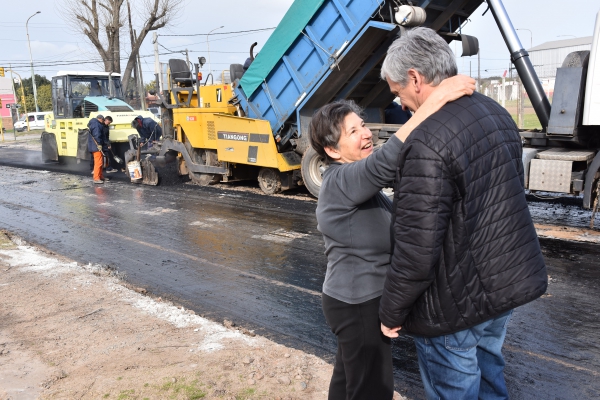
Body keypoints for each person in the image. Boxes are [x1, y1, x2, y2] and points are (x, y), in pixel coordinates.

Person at [377, 27, 548, 400]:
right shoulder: (495, 112)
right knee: (489, 377)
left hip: (452, 304)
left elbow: (416, 247)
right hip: (501, 287)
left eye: (398, 92)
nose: (402, 103)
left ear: (415, 79)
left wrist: (391, 312)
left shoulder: (426, 141)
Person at [309, 74, 475, 400]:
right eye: (353, 132)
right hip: (358, 303)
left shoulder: (358, 184)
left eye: (363, 125)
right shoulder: (340, 181)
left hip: (353, 300)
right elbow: (387, 161)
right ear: (332, 149)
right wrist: (436, 99)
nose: (366, 133)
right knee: (373, 390)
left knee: (349, 384)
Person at [87, 114, 106, 184]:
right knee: (98, 162)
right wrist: (99, 144)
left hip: (94, 145)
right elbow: (97, 135)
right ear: (100, 119)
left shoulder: (93, 123)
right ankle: (96, 178)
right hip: (96, 146)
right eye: (103, 120)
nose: (103, 122)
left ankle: (100, 176)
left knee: (100, 161)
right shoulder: (96, 125)